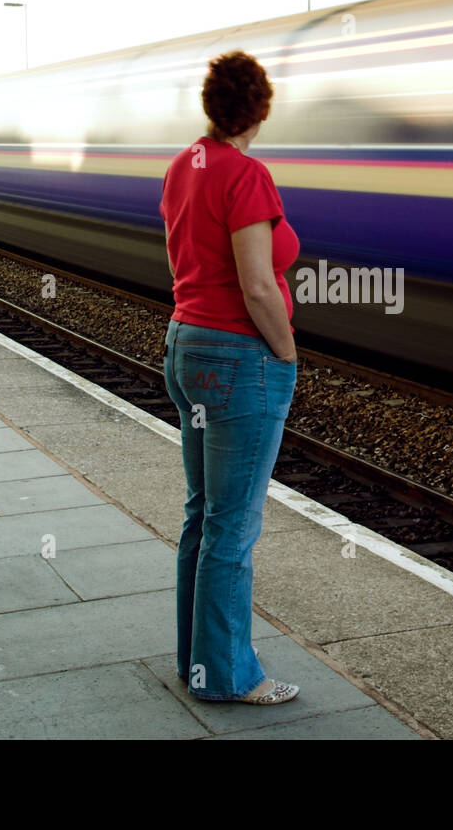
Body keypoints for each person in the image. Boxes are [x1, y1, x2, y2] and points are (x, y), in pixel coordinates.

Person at [159, 51, 301, 705]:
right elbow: (257, 284)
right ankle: (227, 675)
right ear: (261, 110)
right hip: (238, 359)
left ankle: (197, 661)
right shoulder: (246, 176)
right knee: (233, 526)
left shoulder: (183, 167)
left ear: (211, 105)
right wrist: (286, 351)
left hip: (186, 348)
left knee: (203, 515)